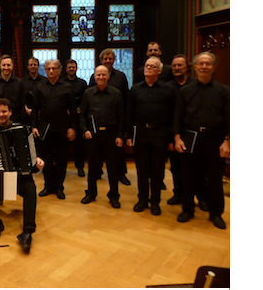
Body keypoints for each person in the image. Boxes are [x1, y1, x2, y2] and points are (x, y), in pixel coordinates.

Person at [0, 98, 45, 254]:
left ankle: (27, 231)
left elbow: (32, 153)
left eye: (4, 111)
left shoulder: (23, 129)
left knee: (30, 190)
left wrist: (37, 161)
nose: (1, 114)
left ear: (10, 112)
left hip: (20, 176)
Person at [173, 52, 230, 230]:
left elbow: (228, 118)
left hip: (215, 139)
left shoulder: (224, 91)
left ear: (214, 67)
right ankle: (188, 209)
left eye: (208, 64)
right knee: (188, 177)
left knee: (214, 179)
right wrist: (177, 138)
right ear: (195, 67)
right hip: (190, 137)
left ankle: (216, 213)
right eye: (201, 64)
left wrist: (227, 141)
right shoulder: (185, 91)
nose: (204, 66)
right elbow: (178, 116)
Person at [126, 57, 176, 216]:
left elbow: (173, 115)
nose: (148, 68)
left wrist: (171, 139)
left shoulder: (168, 90)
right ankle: (142, 199)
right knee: (141, 169)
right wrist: (129, 135)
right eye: (147, 65)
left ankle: (155, 202)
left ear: (159, 71)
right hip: (141, 133)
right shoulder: (135, 89)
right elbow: (130, 113)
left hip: (160, 134)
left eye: (152, 66)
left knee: (157, 170)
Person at [80, 66, 125, 208]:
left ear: (108, 76)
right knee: (93, 166)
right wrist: (85, 130)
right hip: (93, 135)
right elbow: (82, 115)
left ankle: (114, 196)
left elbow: (121, 116)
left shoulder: (116, 93)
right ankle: (91, 193)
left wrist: (120, 135)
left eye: (103, 75)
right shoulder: (88, 93)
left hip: (110, 134)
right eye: (98, 75)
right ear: (94, 76)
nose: (101, 77)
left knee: (113, 167)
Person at [31, 60, 77, 200]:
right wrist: (34, 126)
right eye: (48, 68)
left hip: (62, 128)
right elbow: (35, 108)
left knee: (61, 159)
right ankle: (48, 185)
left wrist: (72, 127)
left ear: (59, 70)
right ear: (45, 70)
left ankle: (59, 187)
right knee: (46, 158)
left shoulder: (67, 87)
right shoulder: (40, 86)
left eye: (54, 68)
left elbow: (73, 109)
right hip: (44, 129)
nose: (51, 71)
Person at [166, 54, 198, 207]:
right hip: (174, 132)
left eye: (180, 65)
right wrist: (171, 138)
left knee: (196, 168)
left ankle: (201, 197)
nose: (177, 68)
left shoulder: (196, 85)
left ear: (187, 67)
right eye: (174, 66)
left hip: (193, 132)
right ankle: (178, 194)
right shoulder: (168, 87)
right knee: (176, 167)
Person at [64, 59, 89, 177]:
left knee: (79, 144)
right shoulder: (61, 82)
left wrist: (80, 109)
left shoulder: (82, 83)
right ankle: (62, 168)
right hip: (64, 116)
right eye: (69, 67)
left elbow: (86, 99)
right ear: (66, 69)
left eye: (73, 67)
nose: (71, 69)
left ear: (76, 68)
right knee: (62, 143)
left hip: (78, 116)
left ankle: (80, 167)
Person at [0, 55, 27, 125]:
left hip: (15, 121)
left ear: (12, 66)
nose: (6, 67)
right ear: (0, 66)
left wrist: (22, 122)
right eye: (4, 65)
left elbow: (22, 103)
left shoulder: (19, 83)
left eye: (8, 65)